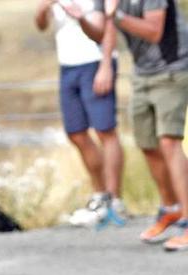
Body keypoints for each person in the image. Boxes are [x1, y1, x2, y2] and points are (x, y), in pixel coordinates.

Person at [74, 0, 188, 250]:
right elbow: (102, 31)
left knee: (169, 142)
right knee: (147, 144)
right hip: (141, 74)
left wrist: (117, 15)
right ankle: (171, 209)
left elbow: (154, 31)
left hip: (173, 69)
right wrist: (81, 19)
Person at [36, 0, 126, 227]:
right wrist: (42, 8)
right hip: (67, 64)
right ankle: (99, 194)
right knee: (76, 132)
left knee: (105, 130)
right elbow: (41, 25)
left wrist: (106, 65)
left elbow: (108, 25)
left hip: (95, 61)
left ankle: (114, 200)